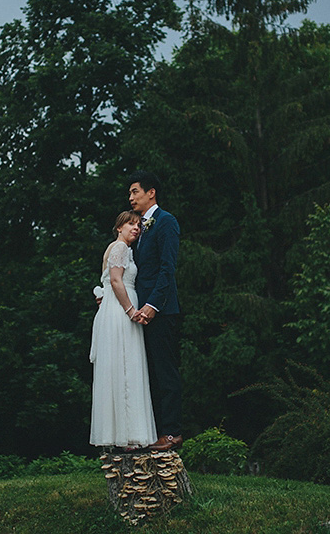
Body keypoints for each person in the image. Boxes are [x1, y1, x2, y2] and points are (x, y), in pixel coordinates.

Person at [89, 210, 157, 449]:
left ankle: (125, 433)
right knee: (125, 366)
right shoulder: (118, 247)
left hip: (116, 308)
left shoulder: (123, 250)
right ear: (119, 227)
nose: (136, 228)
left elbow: (107, 281)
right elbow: (117, 281)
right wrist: (130, 310)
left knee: (123, 367)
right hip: (121, 312)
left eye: (138, 225)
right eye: (131, 224)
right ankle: (128, 435)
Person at [127, 170, 183, 452]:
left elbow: (166, 269)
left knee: (165, 372)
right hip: (139, 312)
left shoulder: (166, 222)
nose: (131, 197)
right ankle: (150, 432)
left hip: (160, 311)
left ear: (151, 193)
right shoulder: (139, 228)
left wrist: (152, 306)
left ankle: (171, 432)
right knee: (145, 373)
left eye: (135, 191)